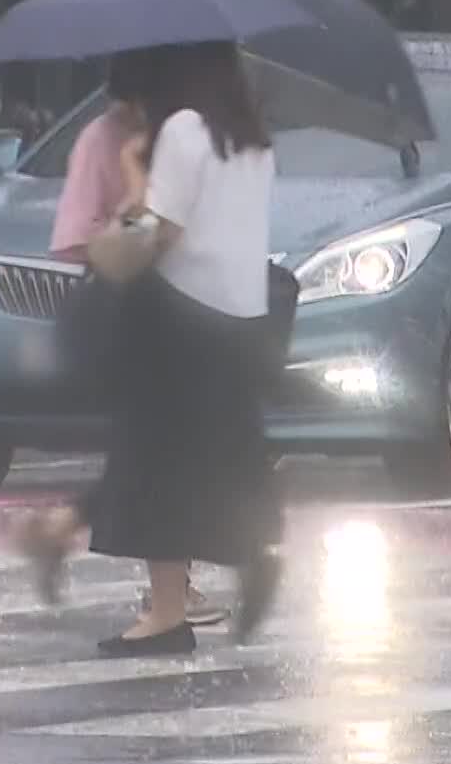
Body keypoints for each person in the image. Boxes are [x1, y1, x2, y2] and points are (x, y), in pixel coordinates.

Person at [77, 41, 287, 655]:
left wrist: (133, 179)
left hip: (178, 320)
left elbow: (157, 233)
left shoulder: (183, 132)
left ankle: (166, 614)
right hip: (244, 319)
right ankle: (252, 555)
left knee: (154, 464)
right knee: (222, 458)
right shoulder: (251, 140)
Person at [21, 65, 229, 628]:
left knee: (161, 452)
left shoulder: (186, 140)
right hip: (134, 322)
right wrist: (136, 203)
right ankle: (167, 594)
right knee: (164, 451)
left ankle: (63, 529)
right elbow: (82, 241)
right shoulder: (104, 142)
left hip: (187, 316)